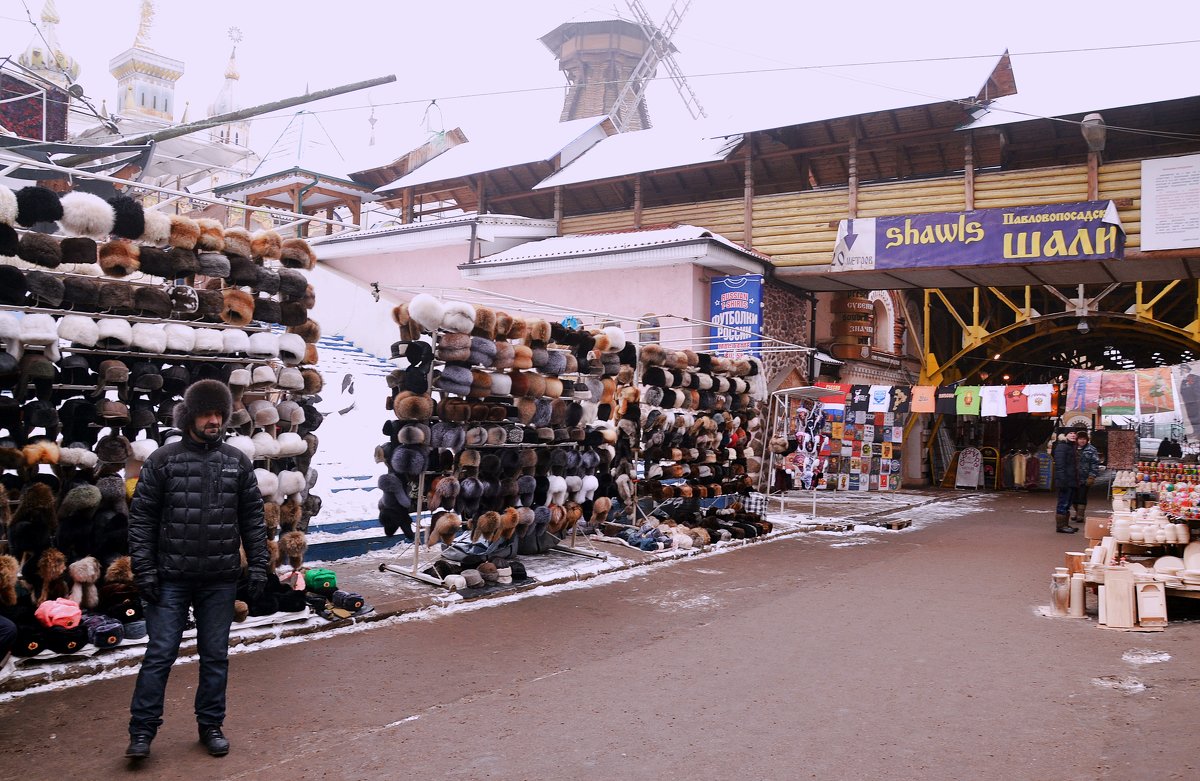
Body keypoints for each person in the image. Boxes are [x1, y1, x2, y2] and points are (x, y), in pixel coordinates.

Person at [126, 380, 268, 761]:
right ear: (190, 415)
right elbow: (141, 519)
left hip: (219, 578)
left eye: (220, 414)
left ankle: (210, 725)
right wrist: (145, 571)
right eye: (207, 413)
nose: (214, 421)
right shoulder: (162, 460)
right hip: (170, 577)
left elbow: (253, 519)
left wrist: (258, 567)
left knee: (215, 655)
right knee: (159, 653)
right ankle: (142, 731)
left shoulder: (236, 461)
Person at [1050, 430, 1080, 533]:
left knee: (1067, 503)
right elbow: (1060, 465)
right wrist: (1062, 480)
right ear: (1065, 435)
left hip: (1070, 479)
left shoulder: (1071, 446)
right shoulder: (1062, 446)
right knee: (1063, 503)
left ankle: (1065, 524)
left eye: (1074, 433)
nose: (1073, 435)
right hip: (1065, 480)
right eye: (1070, 433)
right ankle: (1061, 526)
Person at [1071, 430, 1102, 524]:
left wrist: (1092, 476)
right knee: (1073, 496)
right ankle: (1077, 512)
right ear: (1077, 440)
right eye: (1080, 439)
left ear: (1087, 440)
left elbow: (1095, 463)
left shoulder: (1091, 449)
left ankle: (1080, 515)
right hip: (1073, 477)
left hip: (1085, 478)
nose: (1082, 441)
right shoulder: (1072, 448)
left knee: (1082, 496)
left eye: (1084, 439)